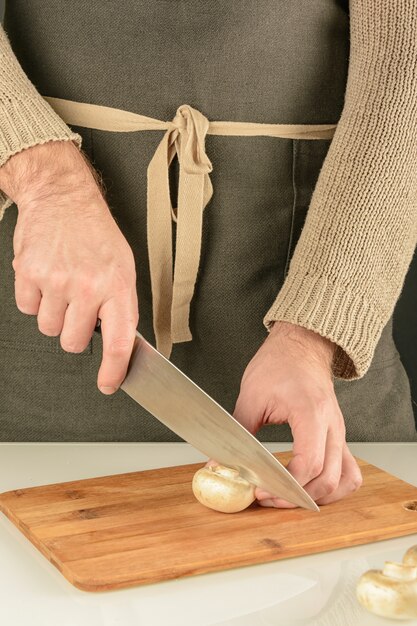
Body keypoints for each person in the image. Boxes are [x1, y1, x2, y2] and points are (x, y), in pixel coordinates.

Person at [0, 1, 416, 509]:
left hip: (318, 340)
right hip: (38, 342)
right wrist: (47, 181)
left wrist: (312, 336)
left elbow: (404, 78)